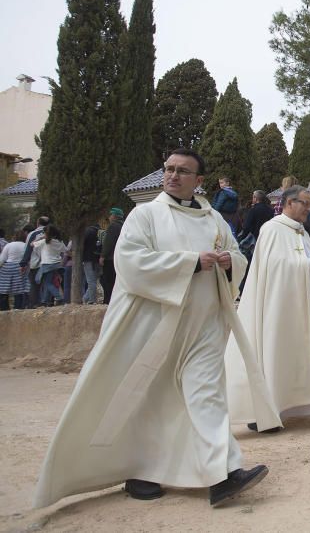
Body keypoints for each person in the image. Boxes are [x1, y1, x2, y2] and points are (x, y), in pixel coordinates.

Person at [34, 148, 273, 510]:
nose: (173, 176)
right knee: (145, 397)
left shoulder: (214, 220)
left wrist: (228, 263)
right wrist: (191, 262)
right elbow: (130, 263)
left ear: (199, 181)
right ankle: (140, 469)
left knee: (206, 395)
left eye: (182, 171)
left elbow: (238, 258)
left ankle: (223, 474)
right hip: (156, 325)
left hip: (205, 324)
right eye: (169, 169)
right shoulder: (145, 215)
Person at [226, 186, 310, 434]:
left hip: (305, 307)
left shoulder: (301, 233)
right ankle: (266, 415)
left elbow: (305, 263)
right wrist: (308, 265)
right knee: (277, 357)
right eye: (305, 203)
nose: (309, 209)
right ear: (289, 202)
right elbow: (273, 266)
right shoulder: (272, 229)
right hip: (279, 311)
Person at [33, 224, 69, 306]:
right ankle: (45, 301)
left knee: (47, 283)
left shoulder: (44, 242)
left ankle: (59, 297)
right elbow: (66, 250)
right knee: (49, 282)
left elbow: (32, 244)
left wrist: (40, 238)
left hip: (47, 264)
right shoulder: (59, 242)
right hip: (57, 264)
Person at [19, 215, 49, 308]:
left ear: (38, 223)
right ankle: (47, 303)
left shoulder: (33, 234)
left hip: (35, 263)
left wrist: (23, 264)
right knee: (48, 283)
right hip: (50, 262)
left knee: (34, 285)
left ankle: (34, 304)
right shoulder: (52, 233)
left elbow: (28, 249)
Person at [99, 208, 124, 304]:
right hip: (119, 257)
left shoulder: (113, 226)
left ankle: (108, 300)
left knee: (108, 281)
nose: (109, 217)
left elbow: (108, 243)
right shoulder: (123, 225)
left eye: (111, 215)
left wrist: (103, 256)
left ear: (114, 216)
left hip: (110, 258)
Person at [0, 229, 28, 310]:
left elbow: (2, 259)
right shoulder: (26, 245)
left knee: (3, 289)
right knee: (18, 290)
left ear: (14, 237)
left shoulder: (9, 245)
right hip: (20, 268)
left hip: (7, 268)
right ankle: (18, 308)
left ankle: (4, 309)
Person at [81, 223, 101, 304]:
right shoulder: (100, 232)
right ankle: (85, 298)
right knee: (94, 280)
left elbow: (82, 244)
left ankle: (92, 300)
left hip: (88, 258)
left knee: (90, 280)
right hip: (97, 258)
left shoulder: (87, 231)